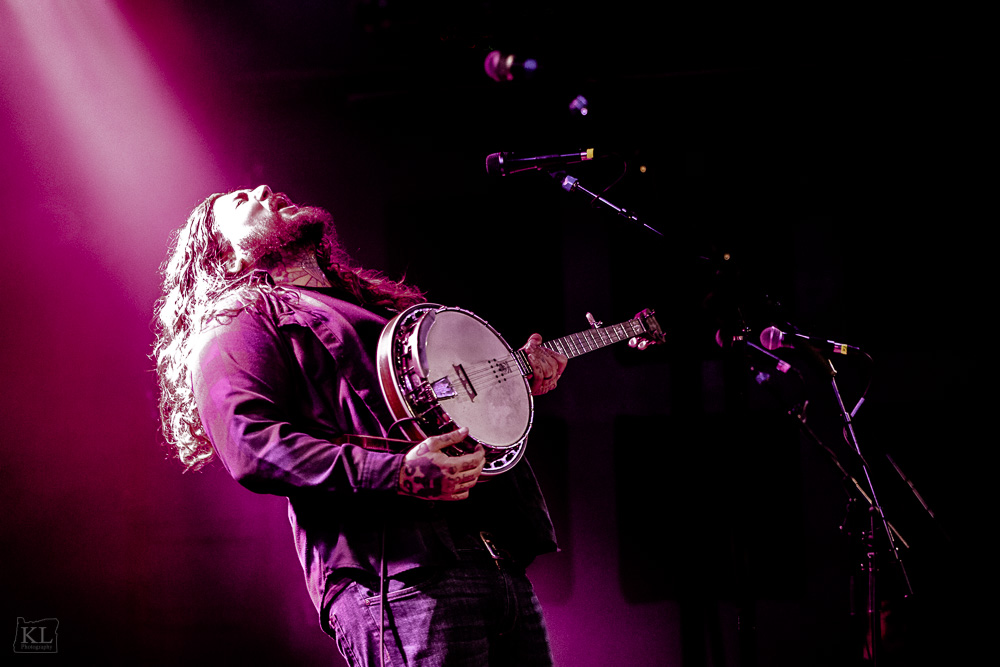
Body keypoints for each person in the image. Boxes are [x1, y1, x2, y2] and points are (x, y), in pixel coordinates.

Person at [153, 184, 568, 666]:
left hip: (494, 561)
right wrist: (394, 473)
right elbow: (250, 443)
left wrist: (516, 377)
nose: (266, 188)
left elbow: (442, 410)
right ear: (227, 260)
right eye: (242, 201)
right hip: (398, 579)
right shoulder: (238, 318)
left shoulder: (381, 308)